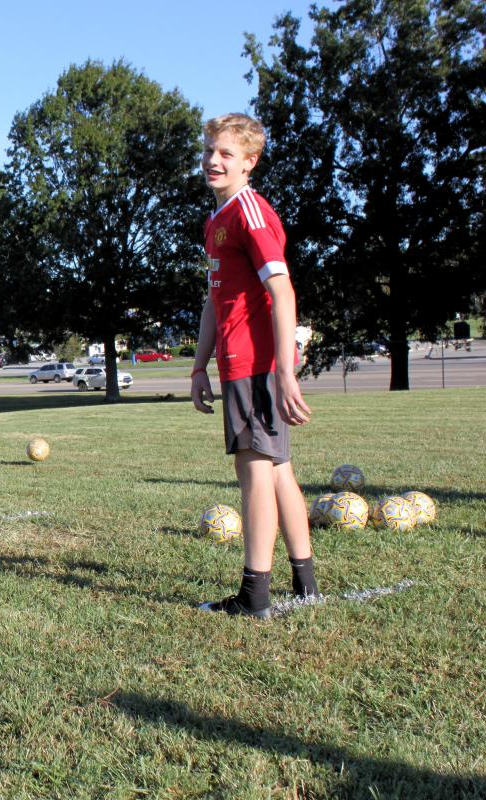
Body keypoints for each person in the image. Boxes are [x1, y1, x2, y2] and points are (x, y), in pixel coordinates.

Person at [191, 113, 318, 618]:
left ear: (250, 162)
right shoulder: (216, 220)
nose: (213, 160)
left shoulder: (250, 212)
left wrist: (284, 370)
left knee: (254, 470)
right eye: (209, 150)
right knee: (279, 469)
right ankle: (305, 583)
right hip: (239, 363)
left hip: (256, 364)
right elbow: (214, 299)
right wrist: (199, 366)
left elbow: (282, 291)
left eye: (226, 153)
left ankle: (254, 596)